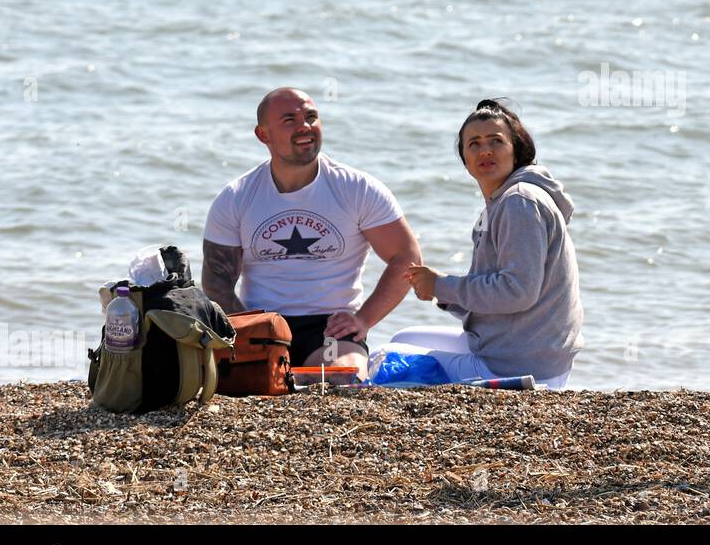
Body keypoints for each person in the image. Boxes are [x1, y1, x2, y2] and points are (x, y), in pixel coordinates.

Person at [201, 88, 421, 373]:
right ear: (263, 135)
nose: (304, 126)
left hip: (330, 328)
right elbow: (217, 282)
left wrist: (364, 320)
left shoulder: (357, 189)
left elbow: (407, 257)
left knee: (341, 380)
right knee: (259, 385)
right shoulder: (236, 197)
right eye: (289, 119)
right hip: (262, 323)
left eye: (311, 117)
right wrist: (250, 331)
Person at [398, 100, 583, 389]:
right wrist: (442, 293)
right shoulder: (501, 203)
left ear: (516, 149)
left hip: (522, 364)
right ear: (464, 157)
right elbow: (498, 296)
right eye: (474, 143)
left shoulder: (518, 202)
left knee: (387, 358)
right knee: (404, 339)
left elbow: (518, 291)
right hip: (526, 351)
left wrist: (441, 284)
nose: (485, 150)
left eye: (496, 141)